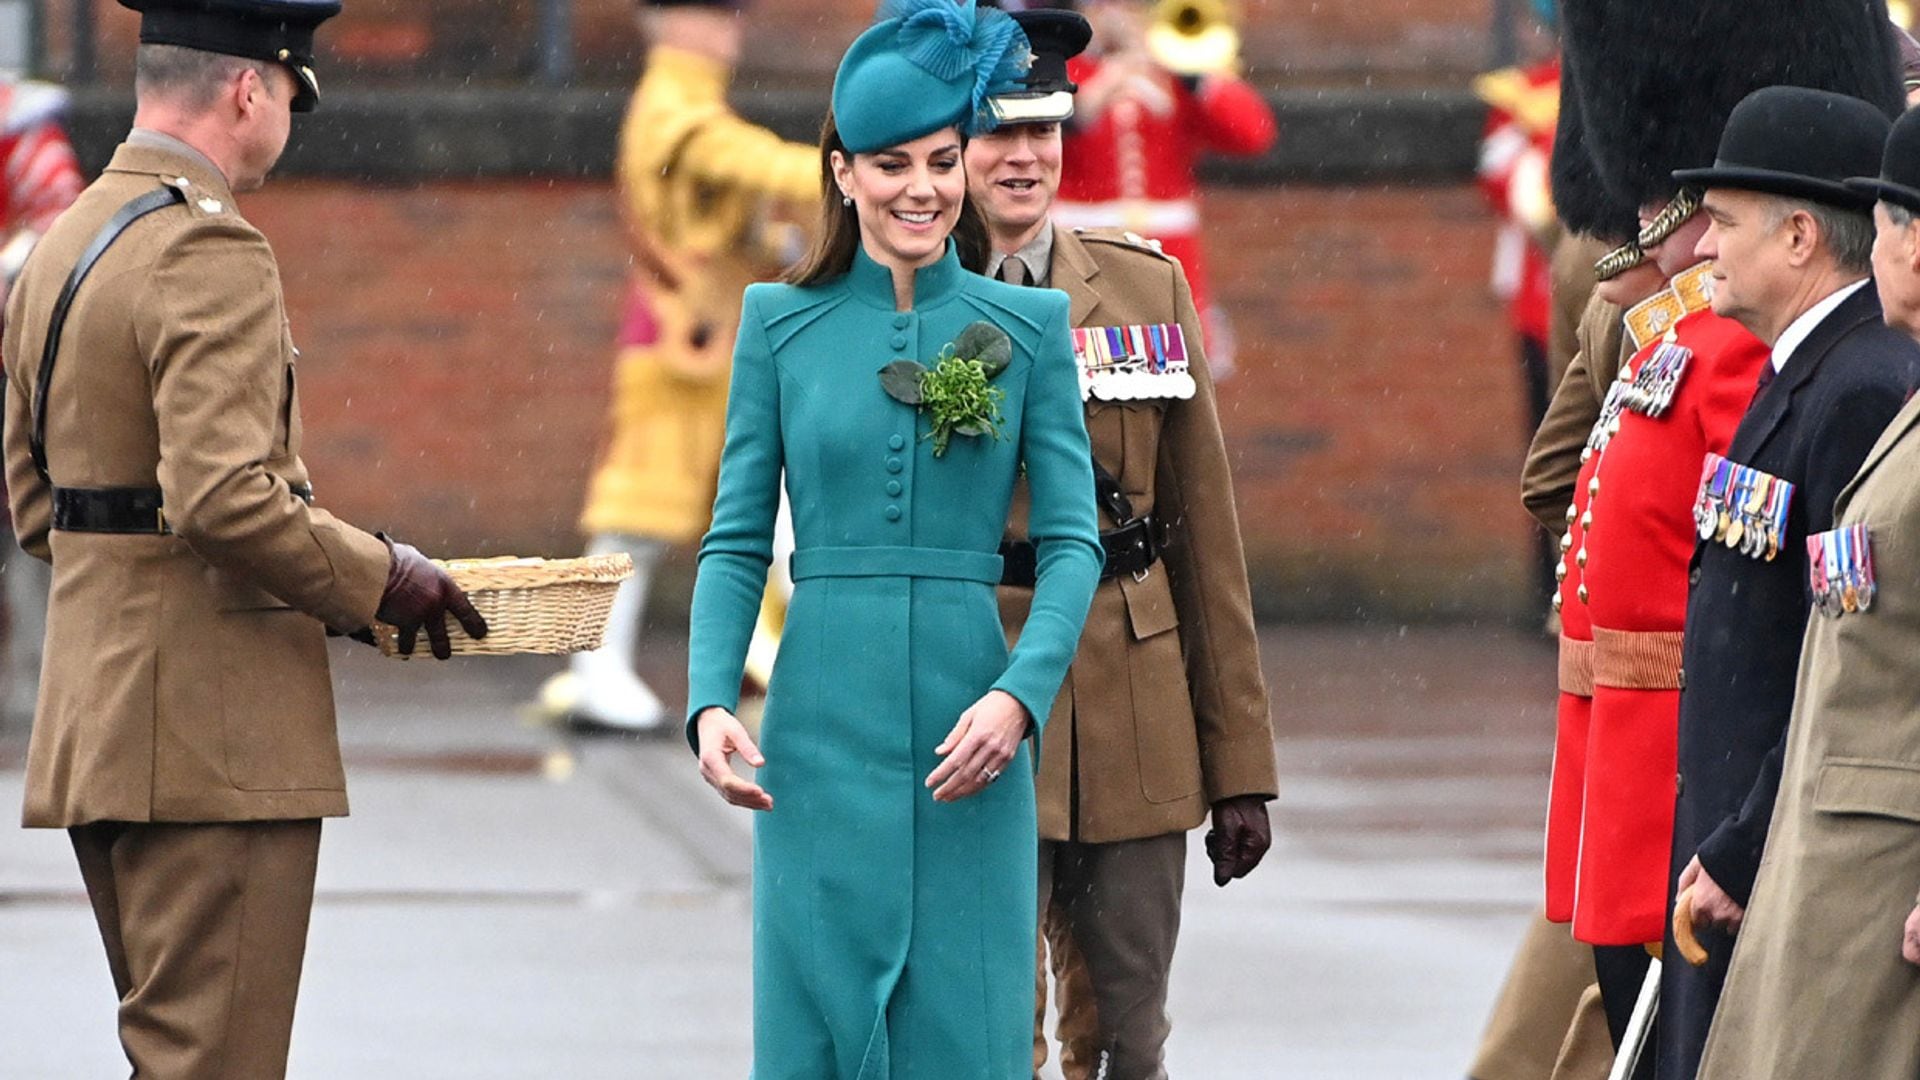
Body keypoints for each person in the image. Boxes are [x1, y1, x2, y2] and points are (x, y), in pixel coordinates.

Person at [0, 2, 487, 1074]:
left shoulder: (65, 239)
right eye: (289, 96)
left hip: (103, 725)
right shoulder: (208, 246)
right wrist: (383, 578)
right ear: (247, 90)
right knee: (215, 1063)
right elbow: (224, 496)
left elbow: (39, 511)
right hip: (211, 745)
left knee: (173, 1052)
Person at [682, 0, 1102, 1072]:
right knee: (816, 1033)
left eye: (942, 159)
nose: (921, 186)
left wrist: (1021, 697)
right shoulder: (776, 324)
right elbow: (734, 539)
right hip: (816, 733)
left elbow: (1071, 544)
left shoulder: (1033, 329)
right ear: (843, 173)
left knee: (971, 1032)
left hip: (975, 735)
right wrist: (709, 702)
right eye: (890, 162)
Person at [966, 10, 1276, 1078]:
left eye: (1044, 132)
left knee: (1131, 1041)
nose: (1025, 157)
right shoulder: (900, 298)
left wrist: (1241, 767)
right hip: (979, 692)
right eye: (996, 133)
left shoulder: (1145, 286)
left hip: (1137, 708)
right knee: (991, 1029)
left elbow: (1206, 539)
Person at [1657, 86, 1915, 1080]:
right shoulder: (1799, 369)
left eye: (1724, 225)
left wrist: (1742, 842)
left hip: (1789, 849)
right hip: (1741, 830)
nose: (1702, 250)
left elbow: (1846, 651)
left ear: (1801, 235)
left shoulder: (1857, 387)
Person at [549, 0, 818, 733]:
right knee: (640, 510)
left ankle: (793, 661)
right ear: (674, 21)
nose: (733, 30)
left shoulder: (685, 105)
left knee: (778, 506)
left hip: (713, 336)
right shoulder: (674, 108)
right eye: (718, 13)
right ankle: (595, 666)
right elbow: (733, 155)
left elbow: (735, 190)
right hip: (680, 338)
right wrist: (846, 168)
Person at [1053, 0, 1276, 371]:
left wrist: (1190, 74)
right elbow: (1047, 135)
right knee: (1090, 372)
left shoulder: (1177, 74)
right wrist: (1103, 85)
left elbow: (1253, 134)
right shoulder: (1067, 69)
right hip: (1083, 251)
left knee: (1171, 377)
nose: (1121, 13)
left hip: (1170, 255)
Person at [0, 73, 84, 732]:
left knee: (27, 517)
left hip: (11, 356)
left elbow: (58, 222)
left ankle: (35, 689)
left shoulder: (18, 128)